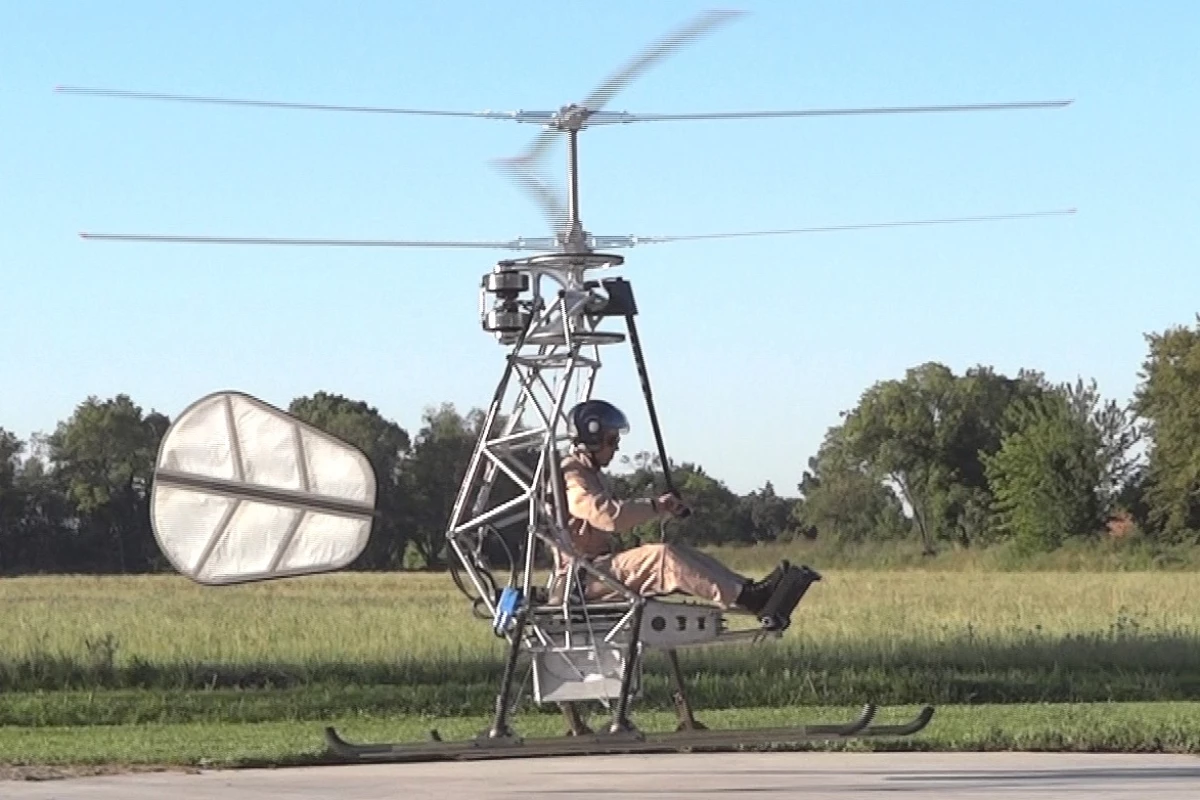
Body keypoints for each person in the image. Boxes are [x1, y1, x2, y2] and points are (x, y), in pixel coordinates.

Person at [554, 398, 800, 619]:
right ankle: (747, 598)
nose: (617, 447)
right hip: (581, 580)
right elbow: (608, 516)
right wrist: (655, 506)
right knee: (661, 558)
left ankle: (748, 589)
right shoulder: (573, 476)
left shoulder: (591, 474)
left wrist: (660, 506)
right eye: (612, 440)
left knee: (679, 552)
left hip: (596, 571)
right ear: (592, 439)